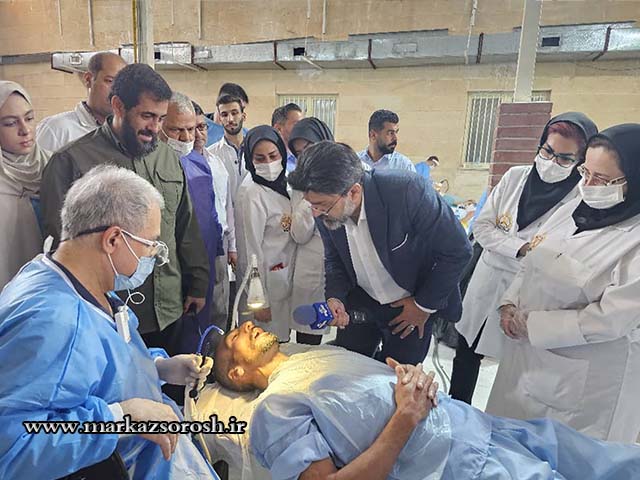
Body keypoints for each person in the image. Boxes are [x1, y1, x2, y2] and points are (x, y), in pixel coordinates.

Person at [211, 321, 640, 480]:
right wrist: (406, 416)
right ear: (237, 373)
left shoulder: (319, 355)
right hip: (454, 465)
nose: (246, 326)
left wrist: (410, 376)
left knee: (606, 461)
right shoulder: (275, 408)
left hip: (475, 425)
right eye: (236, 338)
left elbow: (382, 387)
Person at [0, 166, 217, 479]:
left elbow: (96, 364)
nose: (155, 255)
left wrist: (158, 368)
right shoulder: (53, 320)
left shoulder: (78, 281)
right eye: (151, 244)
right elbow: (14, 446)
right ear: (114, 239)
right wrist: (120, 417)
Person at [40, 63, 210, 358]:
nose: (154, 128)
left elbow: (185, 224)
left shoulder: (166, 157)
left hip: (168, 308)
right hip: (107, 314)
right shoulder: (72, 162)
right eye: (146, 116)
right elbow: (61, 249)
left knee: (171, 381)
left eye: (160, 118)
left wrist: (197, 282)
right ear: (118, 106)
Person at [486, 124, 640, 444]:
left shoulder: (634, 241)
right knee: (505, 444)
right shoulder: (572, 209)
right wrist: (509, 303)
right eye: (586, 172)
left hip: (585, 383)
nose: (588, 185)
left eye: (602, 180)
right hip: (526, 360)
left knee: (563, 458)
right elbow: (534, 259)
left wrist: (532, 325)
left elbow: (611, 319)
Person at [450, 112, 598, 405]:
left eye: (565, 159)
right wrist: (521, 248)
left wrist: (512, 247)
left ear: (580, 161)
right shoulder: (515, 177)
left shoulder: (578, 198)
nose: (551, 162)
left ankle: (498, 421)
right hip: (488, 278)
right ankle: (457, 410)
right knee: (466, 351)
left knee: (513, 364)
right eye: (548, 151)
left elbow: (558, 252)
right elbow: (483, 228)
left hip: (527, 290)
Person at [288, 141, 472, 364]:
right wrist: (335, 297)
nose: (316, 214)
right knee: (350, 365)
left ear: (353, 192)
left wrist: (423, 306)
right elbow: (334, 259)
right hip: (361, 300)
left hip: (410, 303)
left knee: (399, 374)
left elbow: (458, 250)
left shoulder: (406, 191)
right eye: (312, 205)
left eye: (322, 205)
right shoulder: (325, 208)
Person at [159, 91, 222, 356]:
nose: (186, 138)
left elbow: (211, 212)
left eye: (191, 129)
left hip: (203, 262)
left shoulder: (200, 163)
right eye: (177, 130)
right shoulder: (153, 166)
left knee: (198, 336)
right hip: (169, 268)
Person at [235, 126, 296, 342]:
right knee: (264, 349)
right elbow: (249, 251)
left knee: (282, 344)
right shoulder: (251, 193)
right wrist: (259, 300)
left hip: (282, 281)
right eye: (259, 158)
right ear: (249, 160)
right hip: (264, 290)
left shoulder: (284, 183)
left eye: (273, 156)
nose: (268, 163)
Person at [287, 118, 335, 345]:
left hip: (345, 271)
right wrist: (310, 199)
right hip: (310, 270)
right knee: (308, 337)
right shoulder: (300, 184)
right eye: (299, 153)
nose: (305, 156)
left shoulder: (345, 174)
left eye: (309, 148)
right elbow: (299, 233)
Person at [0, 81, 50, 291]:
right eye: (10, 123)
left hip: (50, 288)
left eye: (29, 118)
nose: (25, 130)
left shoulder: (54, 165)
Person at [194, 101, 236, 332]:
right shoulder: (177, 162)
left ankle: (218, 347)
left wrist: (232, 246)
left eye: (202, 127)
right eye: (191, 128)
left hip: (219, 241)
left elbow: (226, 205)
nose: (197, 134)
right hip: (193, 245)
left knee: (220, 304)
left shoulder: (216, 162)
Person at [36, 52, 127, 153]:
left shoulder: (128, 132)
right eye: (109, 81)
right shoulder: (56, 130)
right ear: (88, 80)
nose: (117, 91)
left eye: (123, 85)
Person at [208, 94, 248, 203]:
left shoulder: (256, 151)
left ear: (243, 116)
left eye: (234, 113)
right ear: (220, 119)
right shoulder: (210, 154)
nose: (230, 119)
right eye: (224, 115)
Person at [205, 83, 249, 147]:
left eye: (235, 112)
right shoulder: (200, 129)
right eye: (225, 114)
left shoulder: (247, 135)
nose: (230, 119)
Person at [271, 103, 303, 172]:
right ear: (278, 129)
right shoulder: (270, 161)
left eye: (302, 124)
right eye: (296, 124)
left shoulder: (305, 156)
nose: (302, 128)